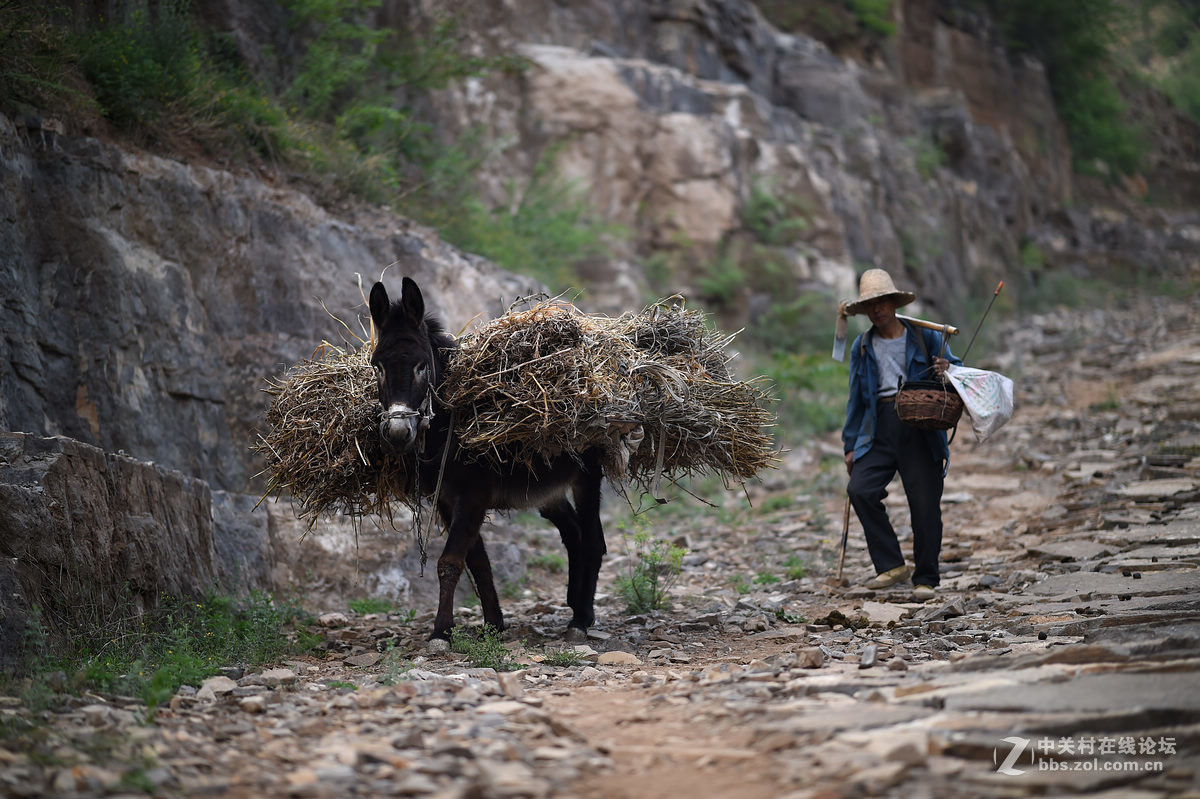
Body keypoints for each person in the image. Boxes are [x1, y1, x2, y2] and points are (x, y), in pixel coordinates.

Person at [841, 269, 961, 601]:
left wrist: (946, 370)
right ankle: (891, 564)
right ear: (865, 310)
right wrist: (850, 444)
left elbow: (956, 368)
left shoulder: (926, 337)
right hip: (878, 426)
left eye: (882, 302)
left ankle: (926, 577)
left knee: (924, 503)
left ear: (893, 303)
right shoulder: (862, 345)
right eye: (871, 305)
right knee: (860, 489)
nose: (877, 310)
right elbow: (855, 398)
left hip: (920, 424)